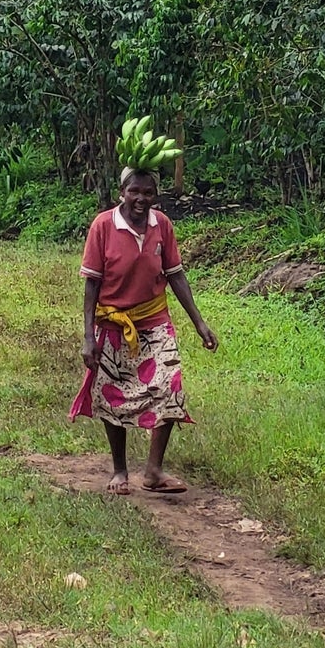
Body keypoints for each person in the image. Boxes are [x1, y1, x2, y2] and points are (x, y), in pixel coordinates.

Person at [70, 164, 217, 494]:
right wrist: (89, 336)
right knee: (113, 397)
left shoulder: (161, 225)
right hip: (113, 325)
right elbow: (91, 284)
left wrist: (199, 322)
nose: (140, 198)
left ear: (156, 195)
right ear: (121, 192)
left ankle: (153, 471)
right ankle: (120, 470)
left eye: (148, 192)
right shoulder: (103, 226)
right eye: (134, 191)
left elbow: (176, 275)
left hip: (154, 321)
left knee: (170, 388)